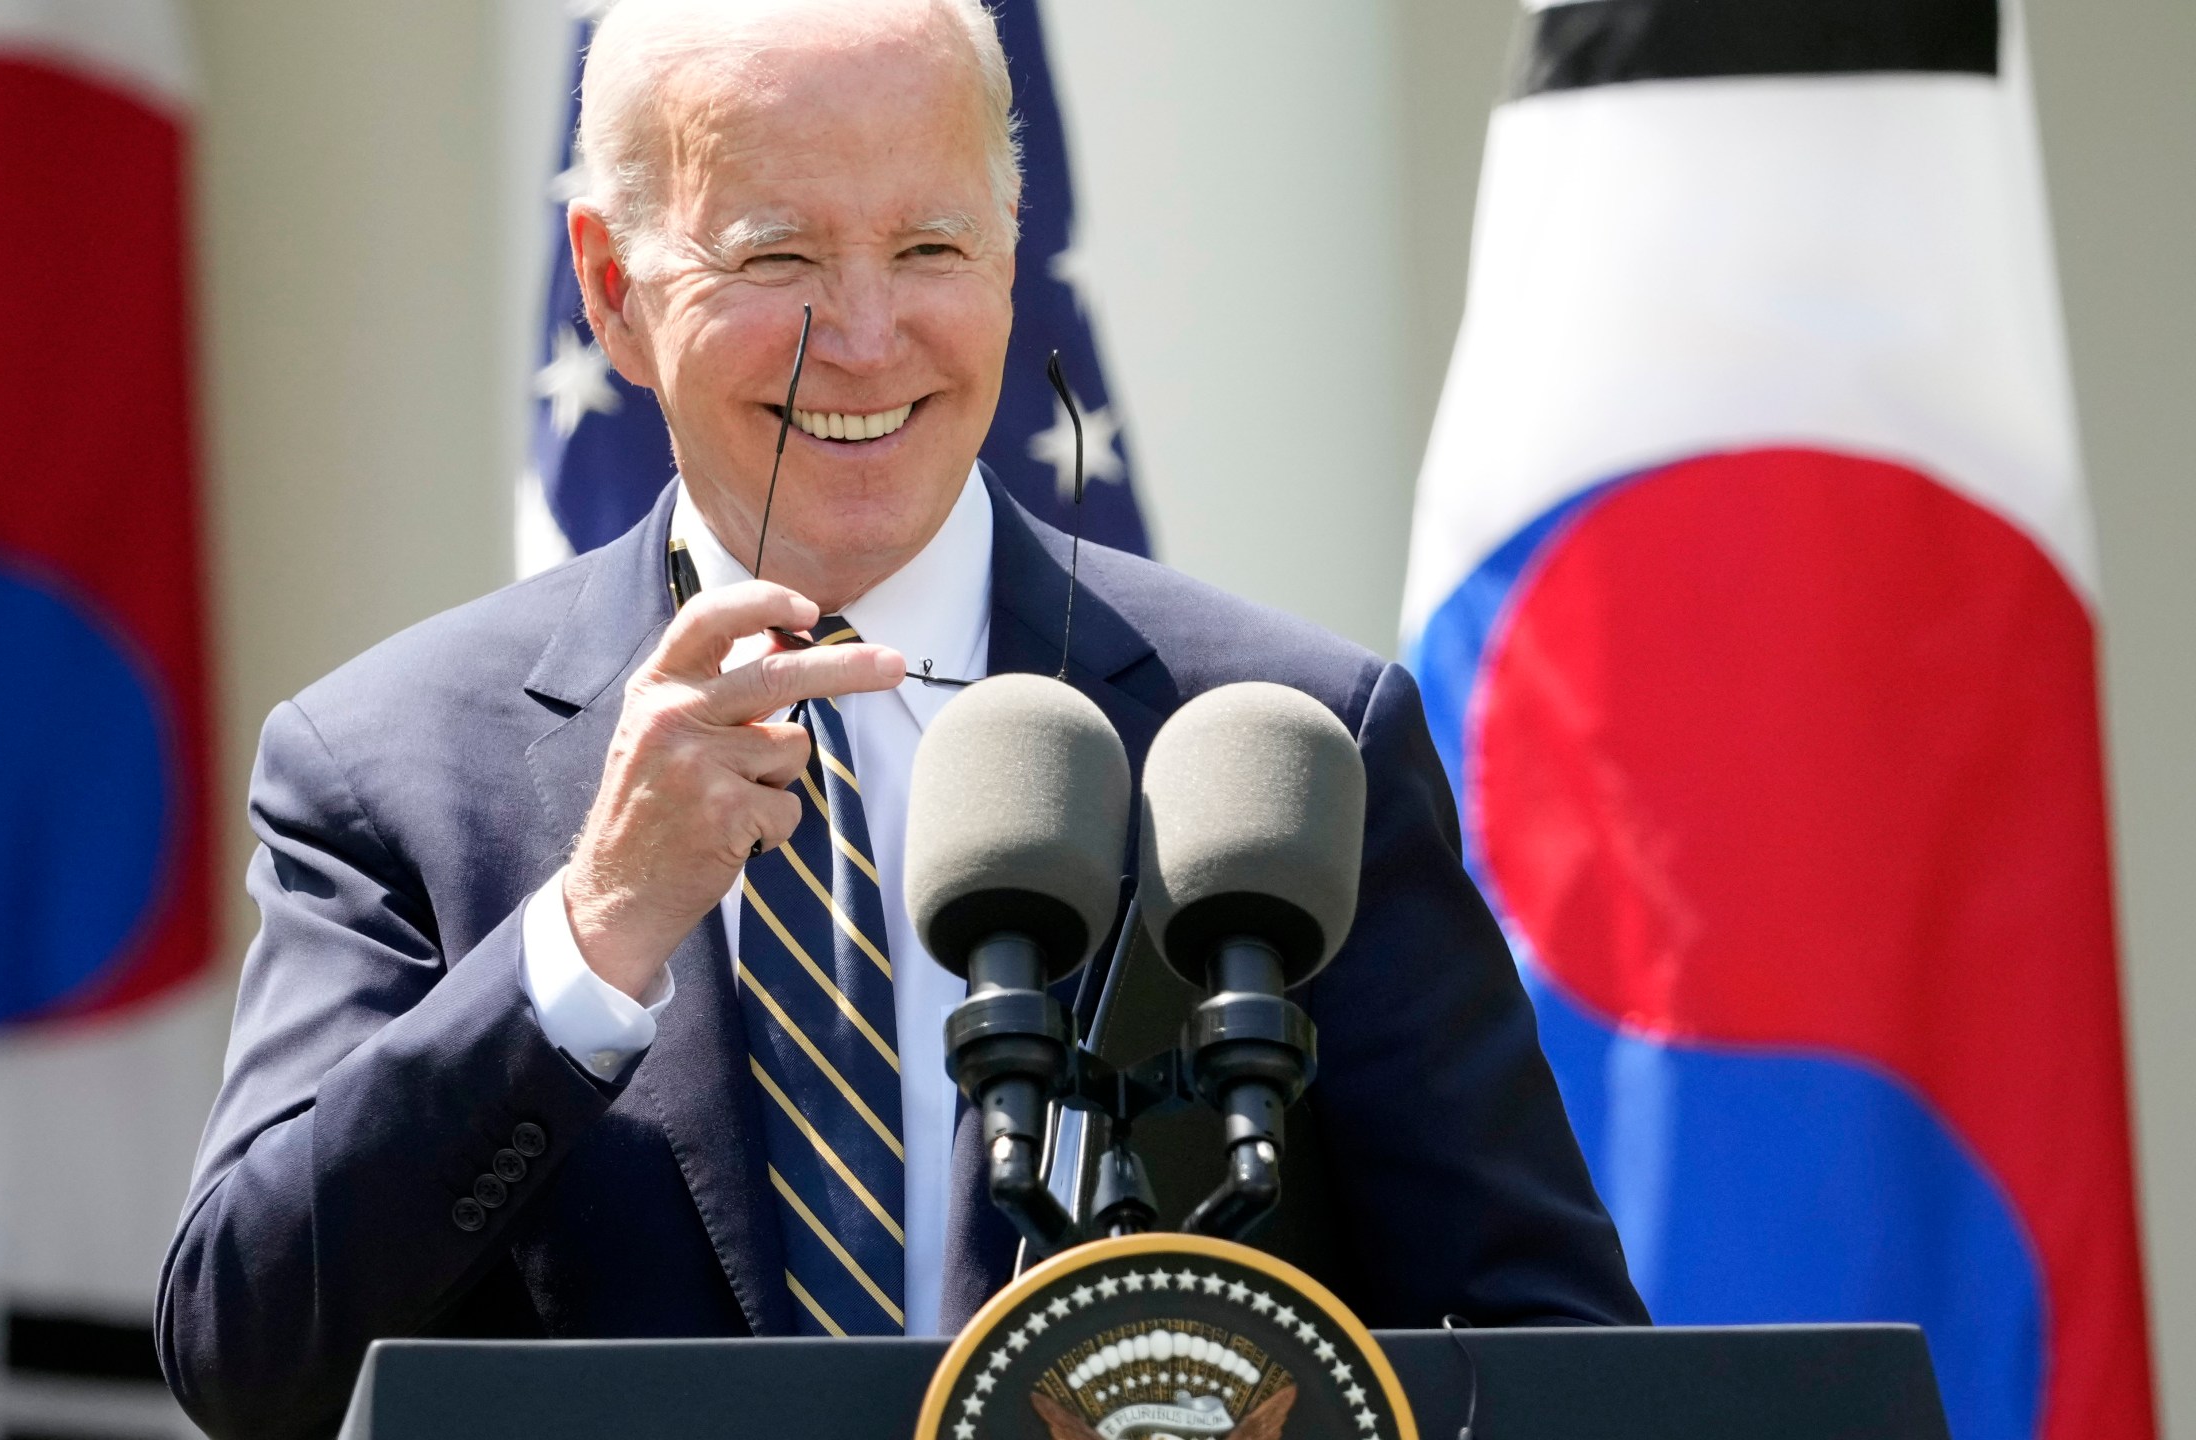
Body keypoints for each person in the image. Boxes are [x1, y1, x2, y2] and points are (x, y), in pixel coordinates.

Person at [156, 1, 1646, 1435]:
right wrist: (595, 934)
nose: (866, 338)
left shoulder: (1279, 741)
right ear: (612, 290)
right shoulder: (388, 772)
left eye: (930, 246)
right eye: (780, 254)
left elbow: (1553, 1360)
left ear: (1012, 262)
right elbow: (248, 1357)